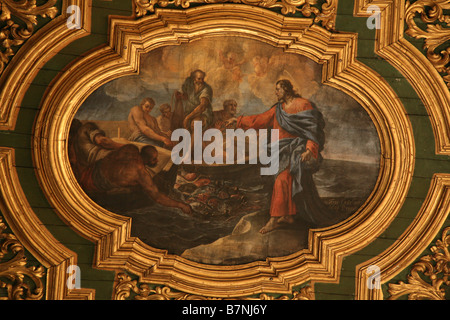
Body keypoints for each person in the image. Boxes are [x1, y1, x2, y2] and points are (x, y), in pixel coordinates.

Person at [230, 79, 336, 233]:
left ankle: (274, 219)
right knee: (283, 180)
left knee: (282, 179)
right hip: (279, 151)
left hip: (296, 150)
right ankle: (287, 215)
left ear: (286, 89)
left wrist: (309, 149)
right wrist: (238, 121)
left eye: (278, 89)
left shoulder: (303, 104)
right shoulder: (278, 109)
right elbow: (259, 120)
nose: (276, 92)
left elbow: (312, 129)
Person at [70, 120, 192, 215]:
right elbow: (158, 197)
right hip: (94, 184)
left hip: (90, 173)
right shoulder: (141, 173)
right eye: (155, 159)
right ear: (149, 160)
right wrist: (181, 205)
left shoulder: (130, 149)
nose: (157, 160)